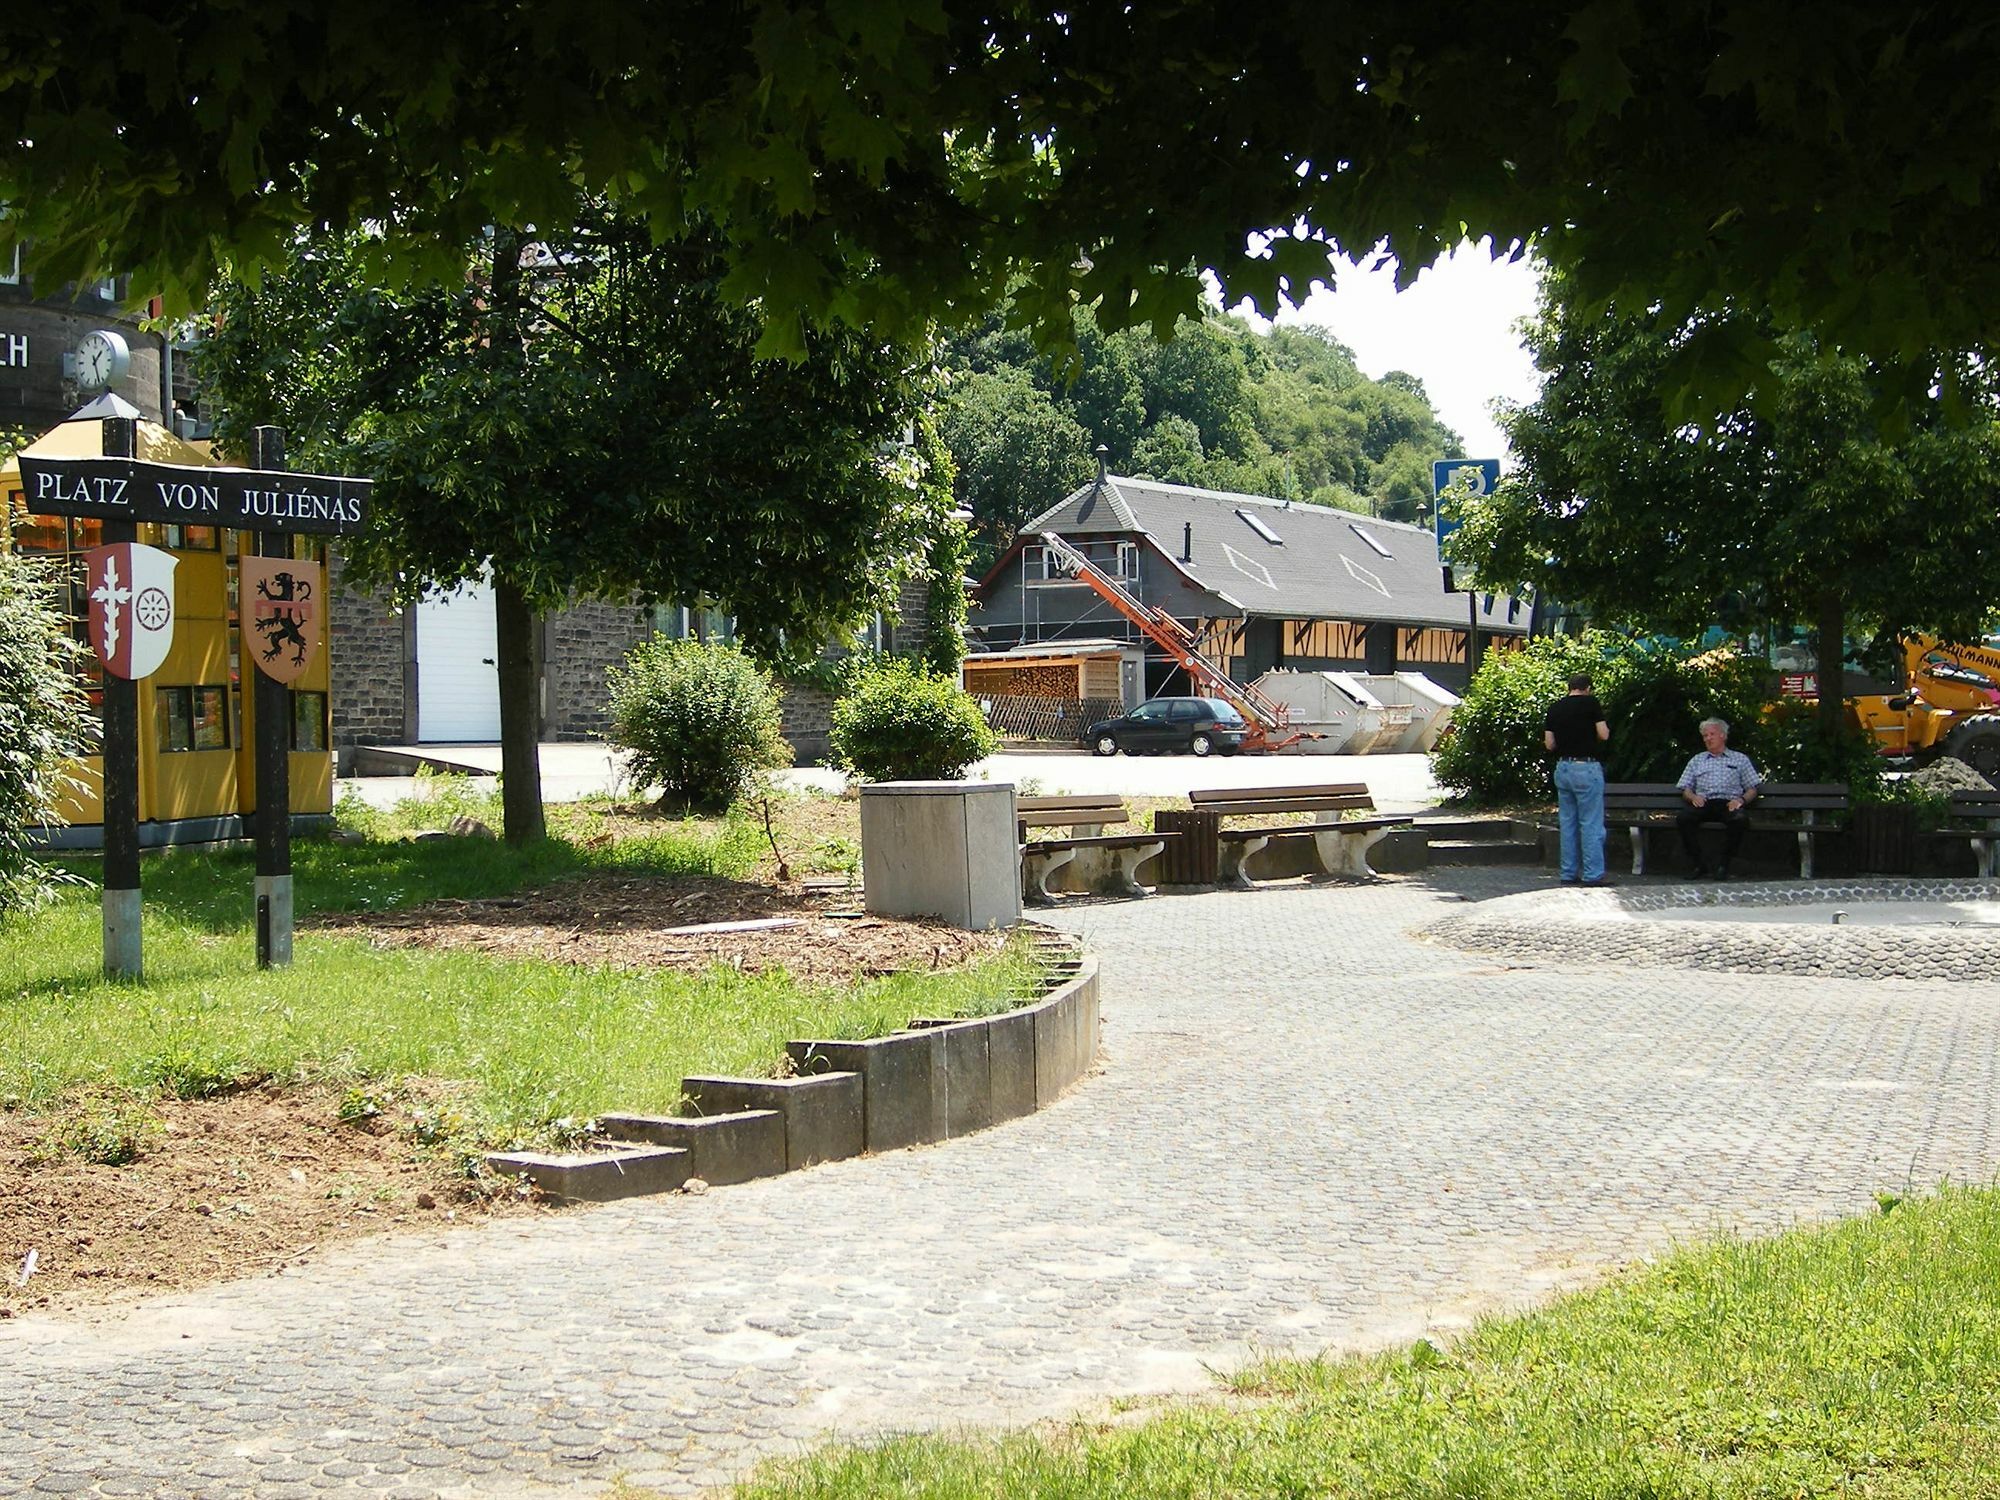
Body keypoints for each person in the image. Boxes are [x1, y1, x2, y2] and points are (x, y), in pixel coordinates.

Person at [1543, 672, 1611, 885]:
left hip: (1563, 768)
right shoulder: (1591, 704)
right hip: (1586, 766)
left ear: (1569, 687)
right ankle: (1592, 875)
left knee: (1568, 823)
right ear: (1587, 688)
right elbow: (1604, 734)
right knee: (1590, 823)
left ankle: (1568, 873)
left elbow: (1549, 744)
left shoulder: (1555, 708)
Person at [1676, 717, 1761, 879]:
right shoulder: (1697, 760)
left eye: (1711, 734)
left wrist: (1740, 801)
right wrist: (1693, 796)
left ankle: (1724, 865)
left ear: (1723, 735)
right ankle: (1699, 865)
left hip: (1729, 803)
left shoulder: (1739, 759)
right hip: (1704, 803)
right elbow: (1685, 787)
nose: (1708, 738)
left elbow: (1752, 789)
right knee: (1683, 819)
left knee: (1739, 820)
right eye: (1705, 736)